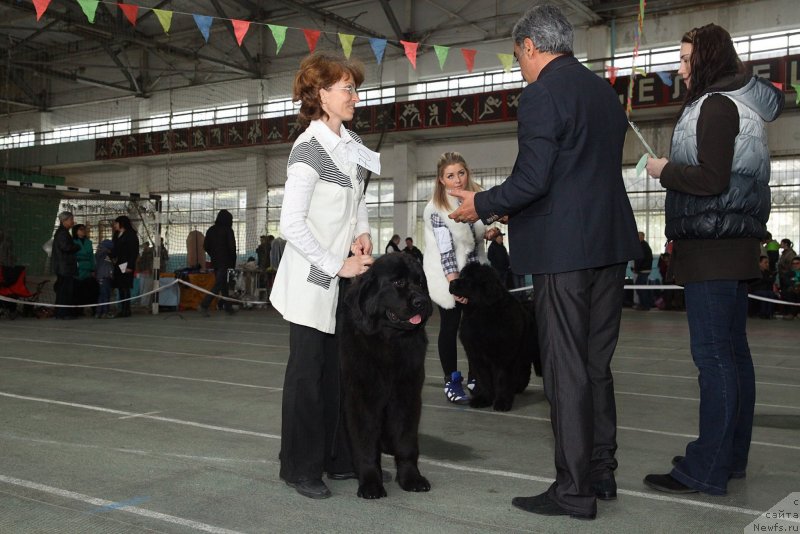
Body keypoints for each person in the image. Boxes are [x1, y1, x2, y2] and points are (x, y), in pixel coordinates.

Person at [447, 4, 640, 519]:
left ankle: (573, 490)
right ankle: (600, 472)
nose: (519, 68)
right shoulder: (603, 92)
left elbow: (533, 180)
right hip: (610, 243)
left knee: (564, 369)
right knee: (596, 364)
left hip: (564, 252)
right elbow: (576, 174)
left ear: (531, 47)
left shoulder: (540, 94)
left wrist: (481, 204)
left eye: (518, 58)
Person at [644, 23, 784, 495]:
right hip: (731, 246)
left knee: (715, 359)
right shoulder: (736, 105)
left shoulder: (717, 106)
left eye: (686, 60)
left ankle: (706, 468)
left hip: (714, 250)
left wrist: (664, 171)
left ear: (705, 60)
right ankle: (727, 457)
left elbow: (711, 180)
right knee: (732, 356)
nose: (679, 70)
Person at [269, 51, 374, 500]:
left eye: (355, 87)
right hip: (313, 282)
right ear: (320, 95)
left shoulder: (348, 145)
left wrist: (364, 232)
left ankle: (335, 457)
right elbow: (290, 224)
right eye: (346, 88)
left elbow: (357, 199)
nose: (354, 95)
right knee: (307, 378)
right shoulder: (308, 148)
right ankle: (298, 467)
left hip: (339, 283)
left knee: (337, 375)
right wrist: (337, 264)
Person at [423, 152, 498, 405]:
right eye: (450, 176)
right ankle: (451, 380)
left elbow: (476, 232)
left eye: (461, 173)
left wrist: (489, 231)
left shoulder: (476, 196)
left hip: (476, 273)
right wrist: (456, 286)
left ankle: (476, 375)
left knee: (478, 327)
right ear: (441, 180)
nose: (457, 180)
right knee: (451, 326)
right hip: (449, 275)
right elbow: (446, 252)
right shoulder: (435, 209)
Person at [200, 209, 237, 316]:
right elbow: (232, 247)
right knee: (218, 285)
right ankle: (204, 305)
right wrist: (233, 263)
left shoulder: (211, 230)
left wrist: (213, 255)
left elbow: (205, 246)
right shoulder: (228, 230)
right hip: (225, 262)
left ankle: (228, 307)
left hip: (215, 261)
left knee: (223, 285)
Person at [51, 211, 80, 320]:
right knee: (65, 291)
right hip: (64, 267)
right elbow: (66, 247)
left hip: (63, 267)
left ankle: (61, 312)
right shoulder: (63, 233)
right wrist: (76, 246)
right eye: (71, 220)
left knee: (63, 290)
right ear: (64, 221)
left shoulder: (62, 232)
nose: (73, 222)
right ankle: (63, 313)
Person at [112, 216, 139, 318]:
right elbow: (115, 249)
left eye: (116, 223)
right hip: (118, 263)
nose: (115, 225)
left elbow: (133, 252)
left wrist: (130, 266)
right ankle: (122, 308)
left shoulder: (131, 235)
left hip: (126, 264)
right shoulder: (117, 234)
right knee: (120, 286)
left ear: (122, 223)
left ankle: (126, 310)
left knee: (125, 286)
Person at [72, 224, 97, 315]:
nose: (83, 231)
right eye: (81, 229)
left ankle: (93, 309)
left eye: (84, 229)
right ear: (76, 231)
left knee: (89, 290)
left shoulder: (89, 242)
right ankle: (77, 310)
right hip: (77, 268)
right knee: (77, 291)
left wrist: (93, 269)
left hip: (87, 268)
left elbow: (91, 256)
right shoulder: (72, 241)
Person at [632, 232, 654, 311]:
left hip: (644, 270)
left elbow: (640, 259)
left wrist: (636, 268)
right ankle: (643, 304)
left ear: (642, 237)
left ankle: (645, 305)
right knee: (640, 287)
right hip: (644, 270)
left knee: (641, 288)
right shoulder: (644, 245)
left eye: (638, 236)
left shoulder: (642, 246)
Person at [94, 239, 115, 318]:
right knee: (105, 295)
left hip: (103, 276)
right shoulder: (103, 254)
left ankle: (99, 312)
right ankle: (104, 312)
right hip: (104, 277)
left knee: (102, 295)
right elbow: (108, 266)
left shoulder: (100, 254)